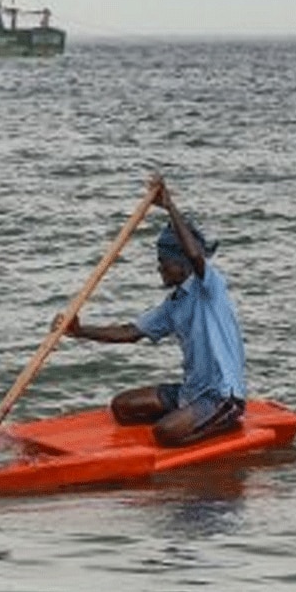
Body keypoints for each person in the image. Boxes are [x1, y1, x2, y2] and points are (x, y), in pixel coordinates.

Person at [55, 175, 247, 447]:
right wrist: (79, 331)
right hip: (191, 393)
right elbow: (130, 332)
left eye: (163, 262)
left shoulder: (209, 286)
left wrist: (169, 206)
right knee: (122, 407)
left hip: (221, 395)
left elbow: (195, 255)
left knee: (164, 433)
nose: (159, 269)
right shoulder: (174, 304)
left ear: (182, 264)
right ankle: (189, 416)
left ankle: (224, 422)